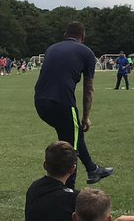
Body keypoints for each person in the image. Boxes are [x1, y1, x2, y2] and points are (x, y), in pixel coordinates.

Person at [34, 22, 114, 188]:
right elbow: (88, 88)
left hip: (40, 101)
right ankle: (67, 191)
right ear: (83, 36)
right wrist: (85, 116)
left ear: (65, 34)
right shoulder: (87, 52)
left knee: (73, 134)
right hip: (62, 103)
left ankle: (93, 169)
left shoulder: (51, 48)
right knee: (71, 149)